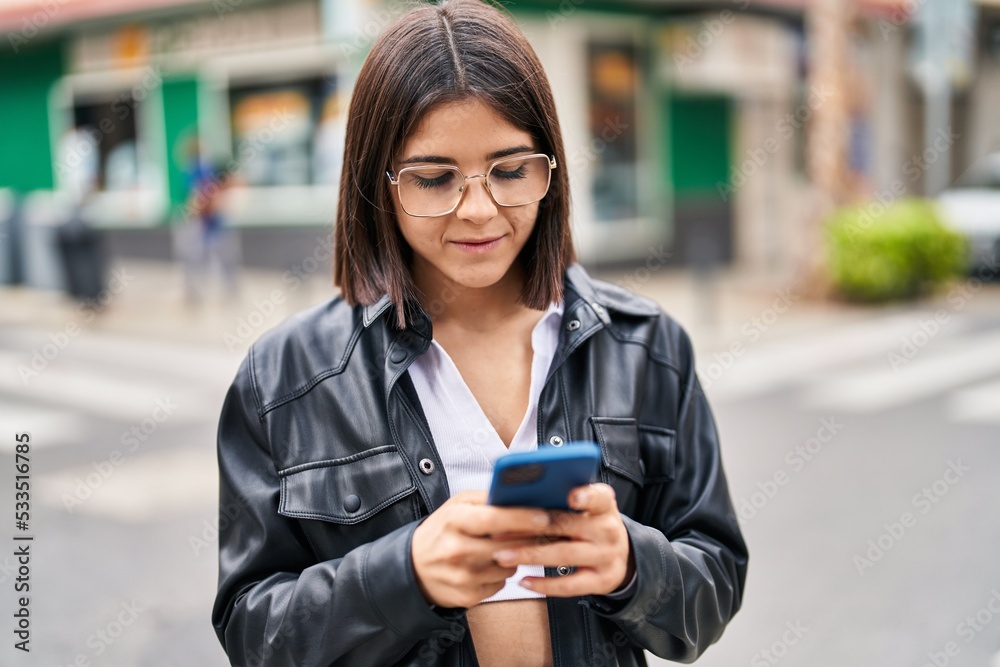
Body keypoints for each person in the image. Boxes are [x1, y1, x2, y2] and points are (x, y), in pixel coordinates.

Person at [211, 2, 748, 666]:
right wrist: (402, 575)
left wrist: (633, 564)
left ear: (550, 168)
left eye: (511, 170)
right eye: (434, 178)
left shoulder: (646, 348)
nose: (478, 208)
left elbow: (714, 585)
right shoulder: (283, 377)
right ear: (375, 185)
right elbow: (252, 631)